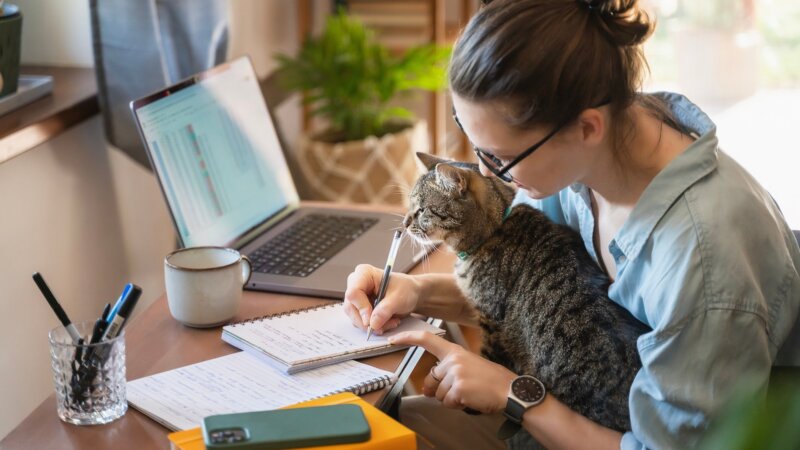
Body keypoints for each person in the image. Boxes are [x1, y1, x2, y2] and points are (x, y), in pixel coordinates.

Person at [343, 0, 800, 448]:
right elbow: (517, 296)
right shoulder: (599, 144)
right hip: (576, 404)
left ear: (586, 128)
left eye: (501, 158)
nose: (485, 174)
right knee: (384, 420)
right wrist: (417, 292)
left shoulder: (701, 261)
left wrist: (512, 393)